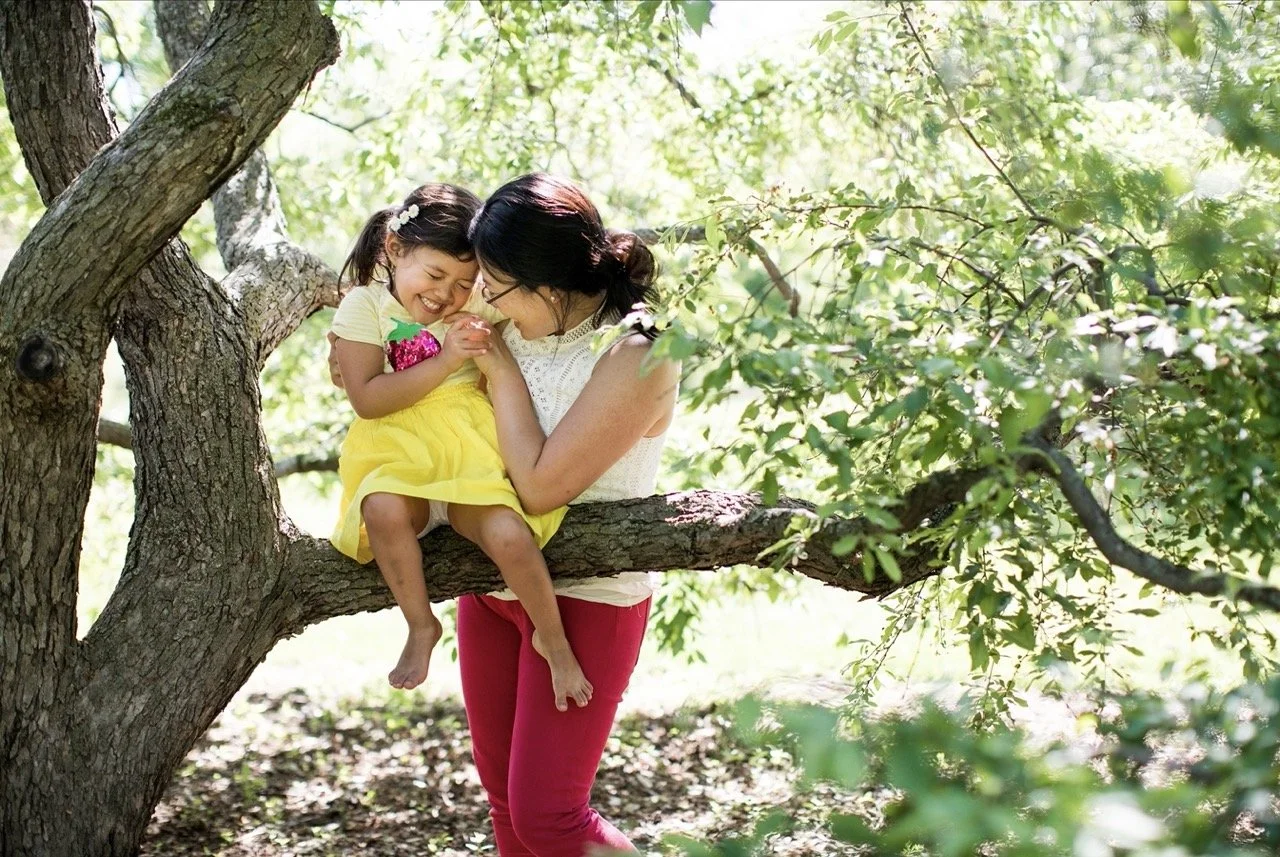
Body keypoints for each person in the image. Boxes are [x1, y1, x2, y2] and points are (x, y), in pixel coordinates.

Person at [456, 174, 680, 856]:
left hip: (590, 600)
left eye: (497, 286)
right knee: (505, 809)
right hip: (491, 586)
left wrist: (498, 369)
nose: (485, 300)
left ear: (548, 279)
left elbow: (541, 485)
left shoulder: (638, 350)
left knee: (548, 817)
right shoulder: (516, 318)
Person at [327, 182, 592, 713]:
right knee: (380, 509)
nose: (446, 293)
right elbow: (368, 399)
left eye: (463, 282)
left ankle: (554, 641)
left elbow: (525, 302)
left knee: (510, 535)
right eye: (435, 275)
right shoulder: (365, 308)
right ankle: (421, 624)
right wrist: (447, 361)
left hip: (471, 456)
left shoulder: (474, 306)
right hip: (398, 458)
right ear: (395, 249)